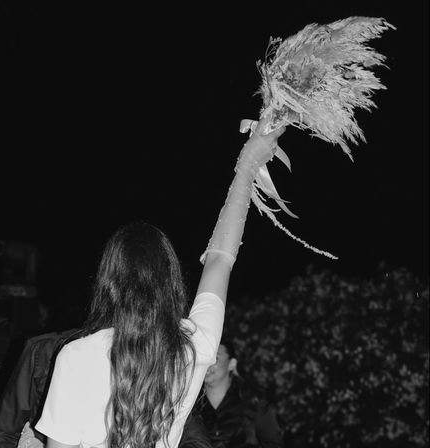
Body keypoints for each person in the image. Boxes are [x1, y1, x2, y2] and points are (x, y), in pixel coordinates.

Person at [31, 120, 284, 448]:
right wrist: (247, 167)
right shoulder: (194, 346)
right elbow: (221, 259)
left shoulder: (76, 357)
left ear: (108, 284)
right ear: (172, 282)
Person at [179, 339, 284, 448]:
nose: (208, 364)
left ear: (232, 364)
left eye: (216, 358)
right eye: (205, 358)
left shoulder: (255, 406)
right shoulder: (188, 406)